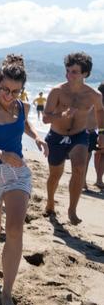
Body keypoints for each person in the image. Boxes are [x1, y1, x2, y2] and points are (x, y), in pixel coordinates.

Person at [0, 64, 48, 305]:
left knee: (15, 229)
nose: (9, 95)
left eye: (15, 91)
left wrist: (36, 137)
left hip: (17, 173)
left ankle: (6, 292)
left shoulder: (22, 107)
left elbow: (25, 124)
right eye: (5, 89)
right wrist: (2, 154)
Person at [42, 52, 104, 224]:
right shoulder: (57, 92)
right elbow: (45, 118)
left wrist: (102, 133)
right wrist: (61, 115)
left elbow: (100, 111)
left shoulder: (93, 95)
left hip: (79, 136)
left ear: (85, 74)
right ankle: (50, 202)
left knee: (79, 168)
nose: (69, 75)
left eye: (74, 72)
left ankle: (72, 210)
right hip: (56, 136)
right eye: (68, 70)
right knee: (55, 175)